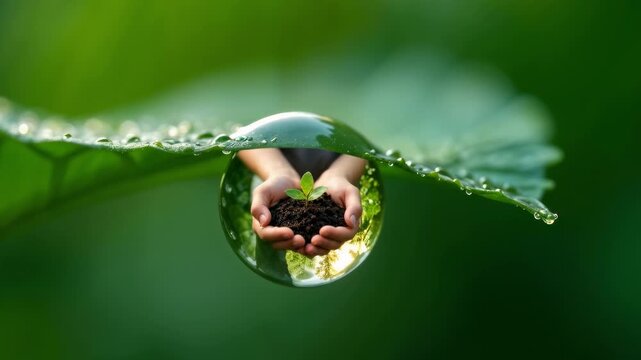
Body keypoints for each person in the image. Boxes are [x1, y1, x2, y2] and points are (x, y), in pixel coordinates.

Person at [238, 148, 367, 257]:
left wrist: (340, 174)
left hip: (341, 177)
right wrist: (277, 171)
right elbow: (241, 132)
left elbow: (365, 142)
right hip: (268, 179)